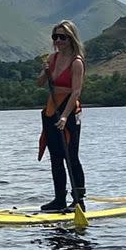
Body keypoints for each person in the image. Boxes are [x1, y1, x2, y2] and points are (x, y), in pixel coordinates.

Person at [37, 20, 86, 212]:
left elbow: (76, 92)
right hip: (51, 107)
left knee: (71, 155)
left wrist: (65, 117)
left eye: (62, 37)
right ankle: (59, 199)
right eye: (55, 37)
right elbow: (40, 83)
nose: (58, 41)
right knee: (56, 156)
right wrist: (45, 71)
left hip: (69, 109)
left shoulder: (77, 62)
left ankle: (78, 200)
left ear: (71, 38)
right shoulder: (52, 58)